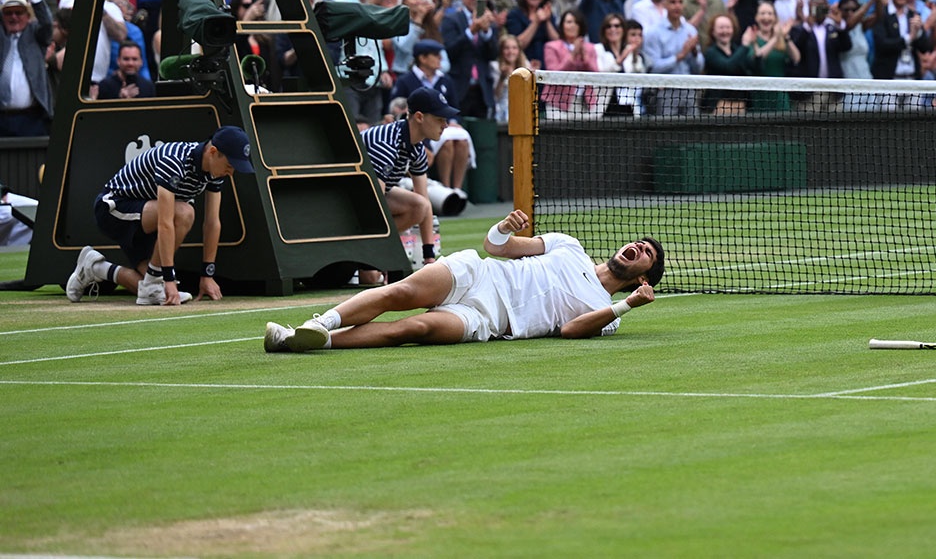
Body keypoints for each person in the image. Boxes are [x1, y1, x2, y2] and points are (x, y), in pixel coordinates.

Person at [265, 209, 661, 351]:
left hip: (489, 320)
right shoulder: (568, 246)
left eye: (646, 253)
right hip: (479, 275)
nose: (636, 246)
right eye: (638, 242)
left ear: (642, 276)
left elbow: (571, 331)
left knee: (413, 328)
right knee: (401, 291)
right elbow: (496, 247)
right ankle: (323, 322)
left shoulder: (610, 314)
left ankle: (305, 341)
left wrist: (627, 305)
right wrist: (505, 227)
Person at [65, 125, 255, 306]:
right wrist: (169, 279)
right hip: (112, 210)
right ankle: (155, 281)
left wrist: (207, 275)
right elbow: (166, 222)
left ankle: (95, 267)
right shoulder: (174, 160)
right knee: (184, 213)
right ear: (213, 152)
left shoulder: (215, 172)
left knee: (149, 287)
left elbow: (213, 223)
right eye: (230, 165)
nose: (231, 172)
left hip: (147, 220)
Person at [356, 86, 458, 268]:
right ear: (419, 117)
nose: (445, 125)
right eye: (439, 119)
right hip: (353, 200)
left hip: (369, 197)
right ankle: (368, 249)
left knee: (420, 205)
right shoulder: (386, 144)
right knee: (370, 275)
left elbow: (424, 202)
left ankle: (373, 249)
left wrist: (429, 259)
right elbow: (375, 204)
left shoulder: (417, 146)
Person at [0, 0, 52, 137]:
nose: (14, 17)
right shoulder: (2, 38)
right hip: (1, 119)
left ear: (27, 16)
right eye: (8, 13)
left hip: (32, 118)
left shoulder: (36, 35)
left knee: (31, 160)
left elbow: (47, 23)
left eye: (19, 12)